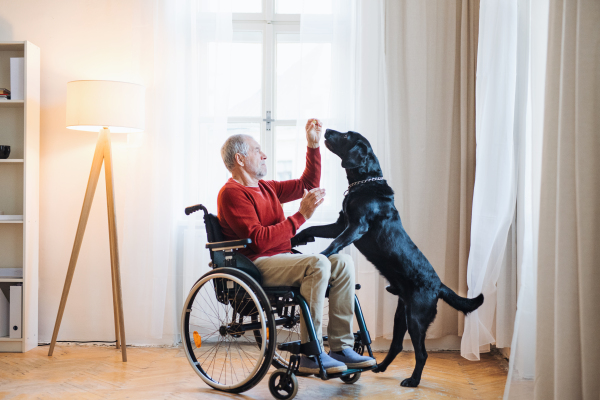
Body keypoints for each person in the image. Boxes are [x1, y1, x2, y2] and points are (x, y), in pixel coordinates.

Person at [217, 119, 376, 374]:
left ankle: (340, 347)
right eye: (257, 150)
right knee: (318, 263)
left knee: (343, 262)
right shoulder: (232, 194)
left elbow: (307, 184)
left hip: (282, 259)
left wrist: (313, 145)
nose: (264, 154)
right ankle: (310, 353)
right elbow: (258, 239)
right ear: (240, 159)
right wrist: (301, 216)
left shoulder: (266, 188)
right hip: (256, 265)